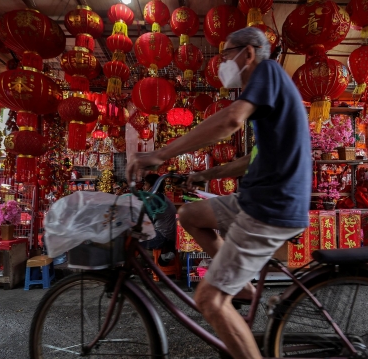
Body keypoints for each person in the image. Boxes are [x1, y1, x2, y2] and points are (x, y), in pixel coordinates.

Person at [126, 26, 311, 359]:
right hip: (255, 199)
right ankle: (243, 288)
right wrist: (204, 175)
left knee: (208, 299)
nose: (223, 63)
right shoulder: (269, 94)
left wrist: (160, 154)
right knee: (189, 214)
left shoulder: (266, 72)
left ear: (249, 53)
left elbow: (230, 121)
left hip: (269, 207)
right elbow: (246, 162)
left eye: (226, 55)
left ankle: (227, 294)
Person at [139, 173, 177, 265]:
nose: (143, 187)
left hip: (162, 237)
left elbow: (146, 219)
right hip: (168, 236)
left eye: (145, 184)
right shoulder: (160, 197)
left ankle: (131, 268)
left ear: (152, 187)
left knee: (131, 240)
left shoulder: (156, 199)